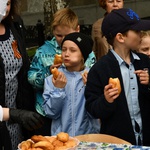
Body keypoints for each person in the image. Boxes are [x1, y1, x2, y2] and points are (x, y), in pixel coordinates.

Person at [85, 8, 150, 146]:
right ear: (120, 37)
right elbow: (92, 109)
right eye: (137, 31)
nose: (141, 34)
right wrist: (106, 100)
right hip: (118, 139)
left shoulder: (145, 62)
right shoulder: (99, 69)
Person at [28, 8, 96, 135]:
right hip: (57, 123)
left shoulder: (88, 53)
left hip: (87, 132)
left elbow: (95, 108)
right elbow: (31, 78)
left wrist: (90, 85)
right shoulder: (43, 52)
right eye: (59, 35)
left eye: (67, 35)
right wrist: (50, 75)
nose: (66, 53)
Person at [0, 0, 43, 149]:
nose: (4, 8)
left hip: (16, 120)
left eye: (7, 3)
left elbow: (23, 72)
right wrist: (11, 114)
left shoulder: (15, 26)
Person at [42, 32, 100, 136]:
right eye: (63, 49)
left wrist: (90, 88)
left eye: (72, 50)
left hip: (88, 139)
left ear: (83, 54)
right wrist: (58, 90)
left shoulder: (92, 77)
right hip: (62, 139)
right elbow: (50, 113)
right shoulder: (52, 79)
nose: (66, 54)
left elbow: (96, 113)